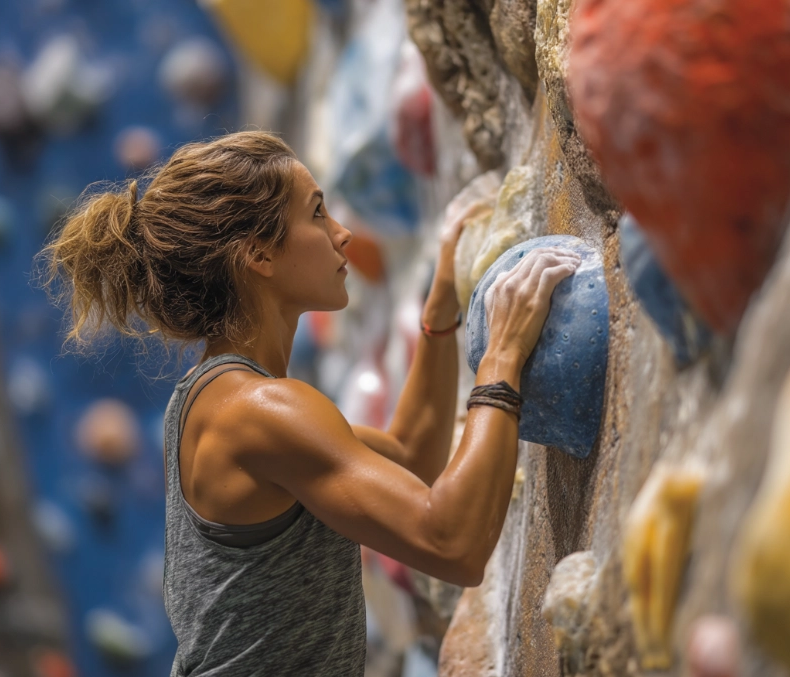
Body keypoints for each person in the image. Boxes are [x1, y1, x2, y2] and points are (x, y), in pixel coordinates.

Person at [40, 131, 580, 676]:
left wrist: (439, 311)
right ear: (257, 254)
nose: (342, 234)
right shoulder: (255, 412)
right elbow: (453, 544)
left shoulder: (218, 401)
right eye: (317, 213)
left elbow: (410, 456)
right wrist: (502, 357)